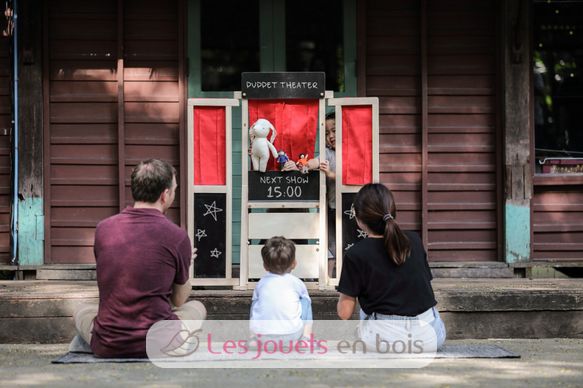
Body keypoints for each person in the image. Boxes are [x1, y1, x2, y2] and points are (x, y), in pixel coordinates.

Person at [73, 159, 206, 358]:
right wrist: (188, 264)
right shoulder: (177, 236)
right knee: (196, 307)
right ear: (165, 194)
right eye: (174, 190)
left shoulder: (103, 229)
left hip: (108, 345)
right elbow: (178, 300)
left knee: (82, 310)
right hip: (160, 345)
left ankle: (88, 342)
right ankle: (181, 345)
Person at [336, 183, 446, 350]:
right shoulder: (414, 240)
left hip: (385, 341)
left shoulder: (356, 254)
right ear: (392, 212)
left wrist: (349, 289)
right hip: (429, 339)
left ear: (358, 219)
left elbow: (344, 314)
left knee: (365, 311)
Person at [283, 112, 337, 276]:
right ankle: (328, 278)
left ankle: (343, 276)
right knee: (329, 242)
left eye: (334, 131)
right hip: (331, 206)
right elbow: (313, 163)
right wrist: (299, 166)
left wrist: (331, 175)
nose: (331, 136)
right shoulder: (327, 153)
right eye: (327, 133)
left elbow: (353, 177)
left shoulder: (352, 153)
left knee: (346, 242)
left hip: (351, 207)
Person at [249, 236, 313, 342]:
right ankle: (306, 338)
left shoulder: (261, 283)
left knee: (255, 303)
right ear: (294, 263)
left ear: (265, 265)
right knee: (305, 301)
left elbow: (254, 311)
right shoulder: (297, 283)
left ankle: (252, 338)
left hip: (262, 336)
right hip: (292, 335)